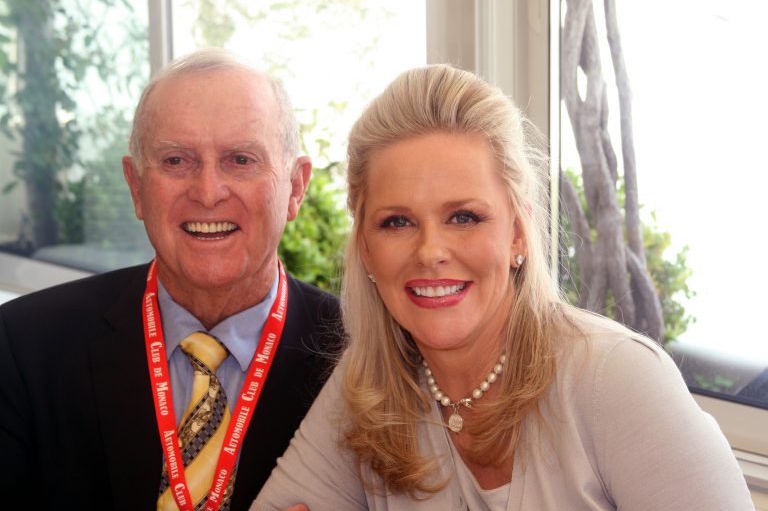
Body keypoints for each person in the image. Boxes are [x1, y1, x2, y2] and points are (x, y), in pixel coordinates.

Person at [251, 64, 755, 510]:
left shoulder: (616, 380)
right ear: (366, 249)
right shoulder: (366, 388)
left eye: (464, 217)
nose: (431, 251)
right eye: (397, 222)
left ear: (517, 232)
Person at [0, 48, 342, 511]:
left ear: (295, 187)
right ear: (136, 186)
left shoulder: (361, 356)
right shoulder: (23, 346)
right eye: (177, 161)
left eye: (240, 160)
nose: (207, 192)